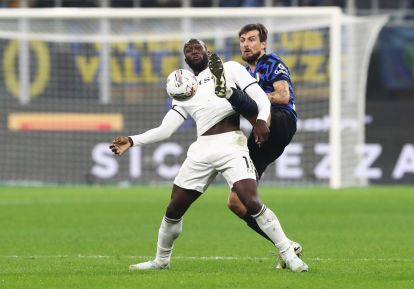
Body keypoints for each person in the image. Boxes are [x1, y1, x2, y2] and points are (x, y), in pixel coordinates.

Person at [110, 38, 308, 272]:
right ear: (185, 59)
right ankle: (161, 261)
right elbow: (166, 129)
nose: (193, 51)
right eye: (188, 50)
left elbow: (260, 98)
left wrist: (263, 121)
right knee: (174, 209)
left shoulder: (231, 68)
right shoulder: (183, 86)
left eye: (198, 47)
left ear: (208, 52)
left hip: (231, 144)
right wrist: (132, 140)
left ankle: (290, 254)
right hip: (202, 149)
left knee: (251, 200)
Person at [208, 23, 301, 269]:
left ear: (263, 44)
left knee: (245, 102)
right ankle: (286, 245)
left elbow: (283, 96)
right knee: (236, 202)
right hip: (262, 133)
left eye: (251, 39)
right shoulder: (241, 72)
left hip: (280, 121)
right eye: (242, 40)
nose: (246, 44)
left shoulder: (270, 62)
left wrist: (256, 97)